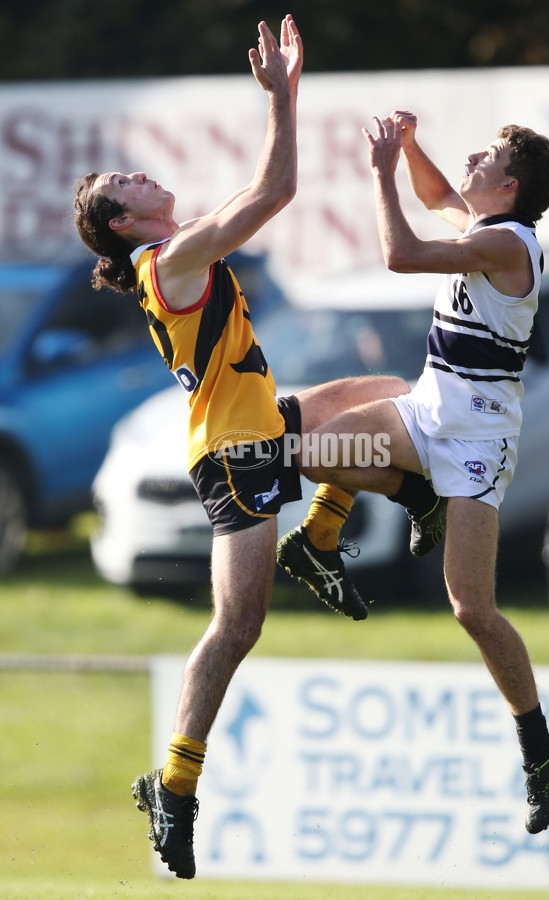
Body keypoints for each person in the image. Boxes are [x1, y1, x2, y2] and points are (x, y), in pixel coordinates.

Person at [72, 19, 439, 879]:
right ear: (125, 221)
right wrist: (283, 98)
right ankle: (174, 784)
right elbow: (273, 193)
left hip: (263, 423)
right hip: (237, 452)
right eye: (128, 180)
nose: (142, 174)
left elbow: (258, 196)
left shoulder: (176, 249)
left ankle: (329, 534)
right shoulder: (168, 259)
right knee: (238, 626)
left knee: (394, 398)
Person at [277, 110, 549, 835]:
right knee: (315, 453)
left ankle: (541, 748)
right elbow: (440, 194)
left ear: (509, 185)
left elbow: (401, 256)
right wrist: (411, 149)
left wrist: (380, 171)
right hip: (429, 408)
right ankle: (409, 500)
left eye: (489, 154)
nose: (473, 156)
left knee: (471, 609)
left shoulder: (507, 241)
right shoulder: (486, 222)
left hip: (477, 435)